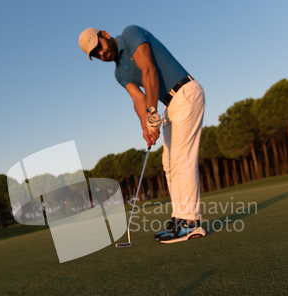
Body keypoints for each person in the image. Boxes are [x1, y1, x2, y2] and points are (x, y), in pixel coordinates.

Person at [79, 25, 206, 243]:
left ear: (105, 35)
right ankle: (179, 217)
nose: (101, 54)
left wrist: (152, 114)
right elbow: (138, 99)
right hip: (169, 105)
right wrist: (146, 126)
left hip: (185, 92)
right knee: (168, 163)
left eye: (98, 47)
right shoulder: (119, 73)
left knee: (181, 159)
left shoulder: (130, 34)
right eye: (95, 55)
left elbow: (149, 70)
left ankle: (191, 222)